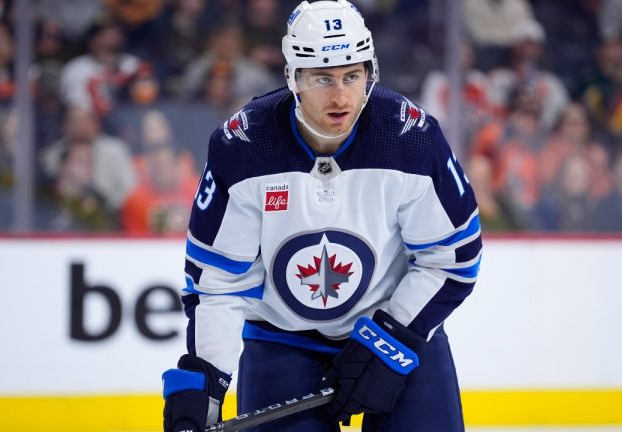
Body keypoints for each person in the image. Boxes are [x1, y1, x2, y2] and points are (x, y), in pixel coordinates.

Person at [161, 2, 482, 432]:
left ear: (371, 71)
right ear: (294, 78)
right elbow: (219, 283)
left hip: (396, 326)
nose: (341, 96)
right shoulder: (243, 147)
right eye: (322, 78)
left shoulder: (409, 138)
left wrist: (388, 342)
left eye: (353, 76)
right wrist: (203, 383)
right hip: (281, 340)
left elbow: (453, 259)